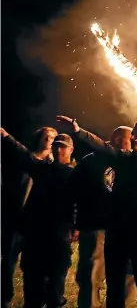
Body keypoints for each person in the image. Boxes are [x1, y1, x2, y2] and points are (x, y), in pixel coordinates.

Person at [56, 116, 137, 308]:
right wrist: (79, 132)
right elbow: (101, 147)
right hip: (117, 229)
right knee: (115, 282)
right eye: (134, 134)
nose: (135, 138)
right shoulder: (123, 158)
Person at [1, 128, 76, 308]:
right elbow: (23, 154)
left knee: (55, 291)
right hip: (35, 236)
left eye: (63, 147)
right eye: (56, 146)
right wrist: (5, 136)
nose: (59, 150)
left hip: (58, 239)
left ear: (71, 150)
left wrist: (76, 225)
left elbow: (81, 203)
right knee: (32, 288)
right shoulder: (42, 169)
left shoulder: (74, 175)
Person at [72, 126, 137, 308]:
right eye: (130, 139)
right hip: (96, 225)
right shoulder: (91, 161)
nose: (133, 143)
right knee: (91, 273)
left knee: (128, 274)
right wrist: (76, 220)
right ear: (118, 139)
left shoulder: (133, 161)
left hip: (125, 227)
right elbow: (73, 191)